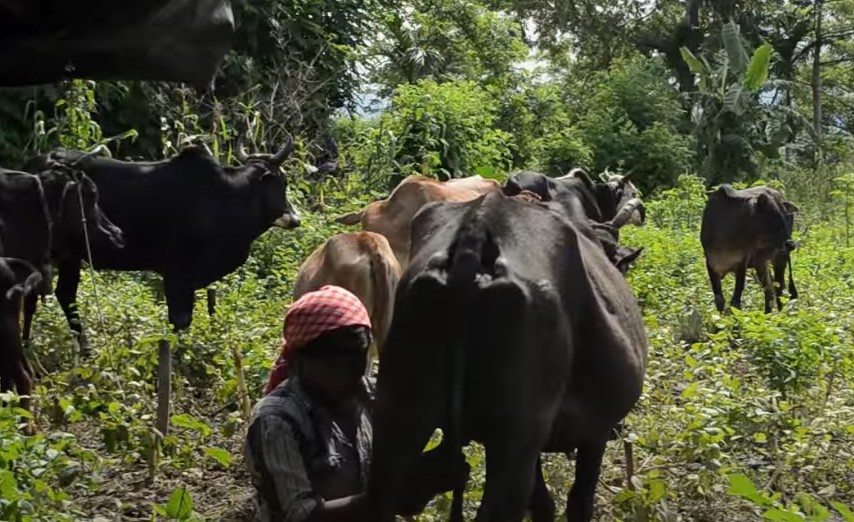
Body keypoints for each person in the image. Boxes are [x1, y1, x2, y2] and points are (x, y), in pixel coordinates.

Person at [245, 285, 467, 522]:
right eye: (334, 365)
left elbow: (405, 505)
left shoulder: (371, 397)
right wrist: (393, 493)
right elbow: (304, 517)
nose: (350, 374)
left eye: (358, 360)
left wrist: (425, 477)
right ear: (299, 362)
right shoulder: (277, 421)